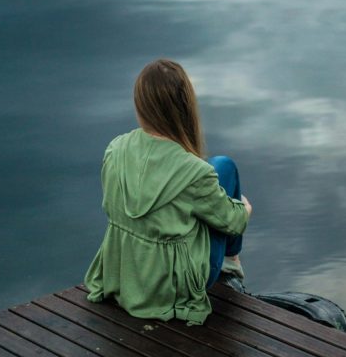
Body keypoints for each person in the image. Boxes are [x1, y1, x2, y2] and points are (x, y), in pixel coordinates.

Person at [84, 58, 252, 325]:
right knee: (224, 166)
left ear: (140, 105)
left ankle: (228, 261)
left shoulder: (115, 149)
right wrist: (243, 208)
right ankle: (231, 263)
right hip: (172, 288)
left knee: (212, 176)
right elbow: (234, 223)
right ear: (185, 106)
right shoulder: (195, 172)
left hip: (126, 275)